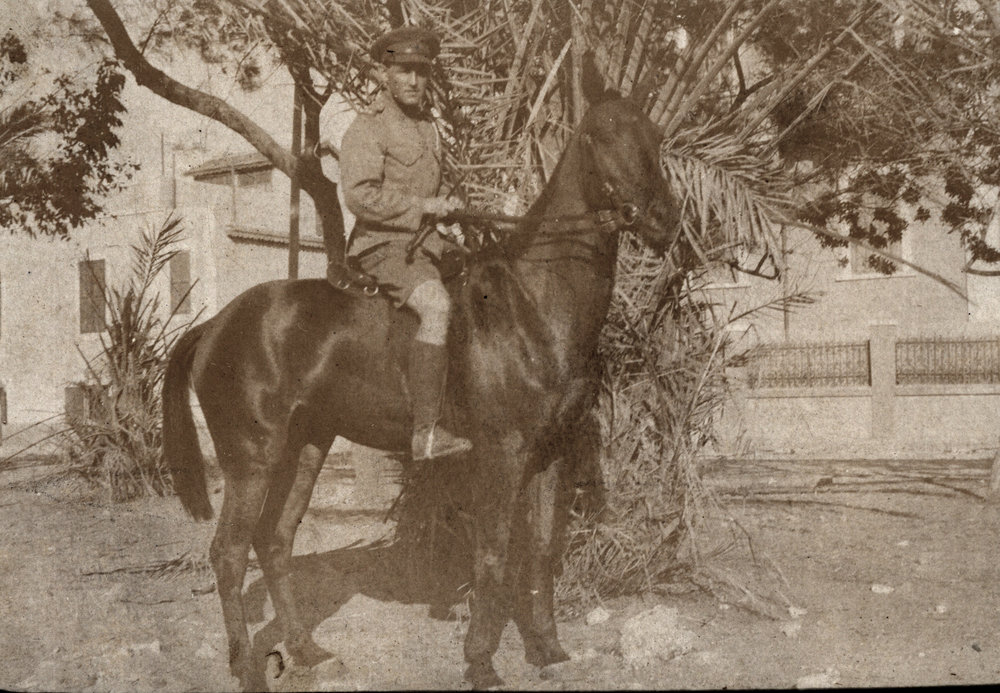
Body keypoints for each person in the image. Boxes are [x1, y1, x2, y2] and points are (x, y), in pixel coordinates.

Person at [337, 26, 472, 462]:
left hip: (427, 245)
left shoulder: (428, 129)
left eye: (420, 71)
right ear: (383, 74)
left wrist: (451, 208)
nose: (413, 81)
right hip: (383, 247)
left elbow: (435, 190)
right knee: (436, 306)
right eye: (403, 70)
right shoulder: (368, 128)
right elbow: (359, 195)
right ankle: (426, 434)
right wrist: (426, 206)